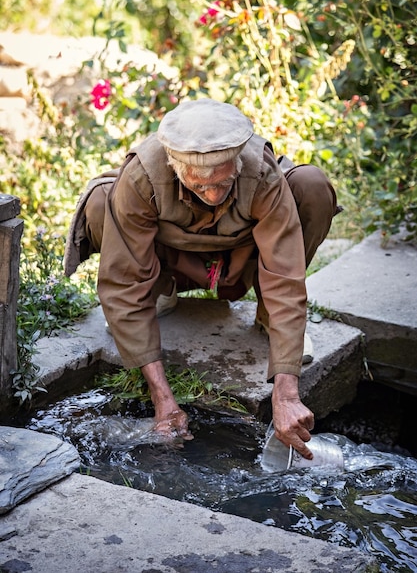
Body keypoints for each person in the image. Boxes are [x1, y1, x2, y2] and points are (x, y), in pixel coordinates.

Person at [64, 98, 340, 459]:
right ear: (175, 167)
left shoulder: (261, 173)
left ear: (238, 163)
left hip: (241, 259)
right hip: (171, 261)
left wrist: (286, 394)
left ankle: (268, 319)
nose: (212, 195)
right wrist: (162, 399)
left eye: (223, 184)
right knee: (102, 200)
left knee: (311, 184)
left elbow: (285, 277)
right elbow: (124, 285)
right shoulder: (142, 175)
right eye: (200, 186)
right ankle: (161, 293)